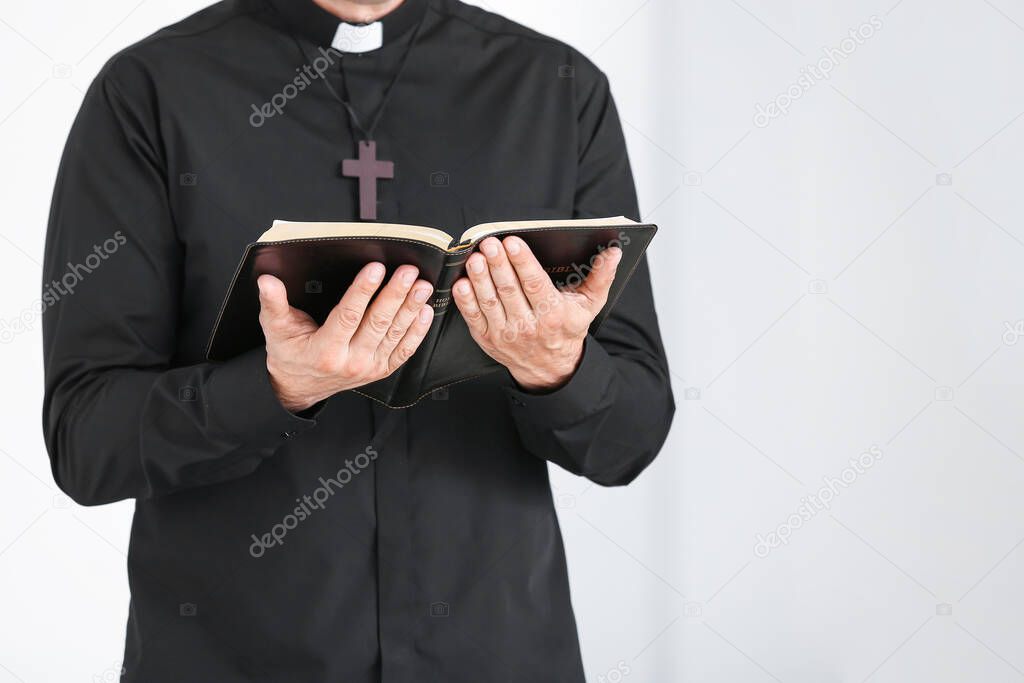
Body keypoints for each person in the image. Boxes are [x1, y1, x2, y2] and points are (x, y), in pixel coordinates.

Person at [41, 0, 675, 680]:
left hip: (497, 653)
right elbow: (87, 441)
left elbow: (629, 441)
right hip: (232, 658)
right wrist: (275, 387)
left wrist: (558, 368)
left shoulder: (558, 89)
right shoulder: (150, 90)